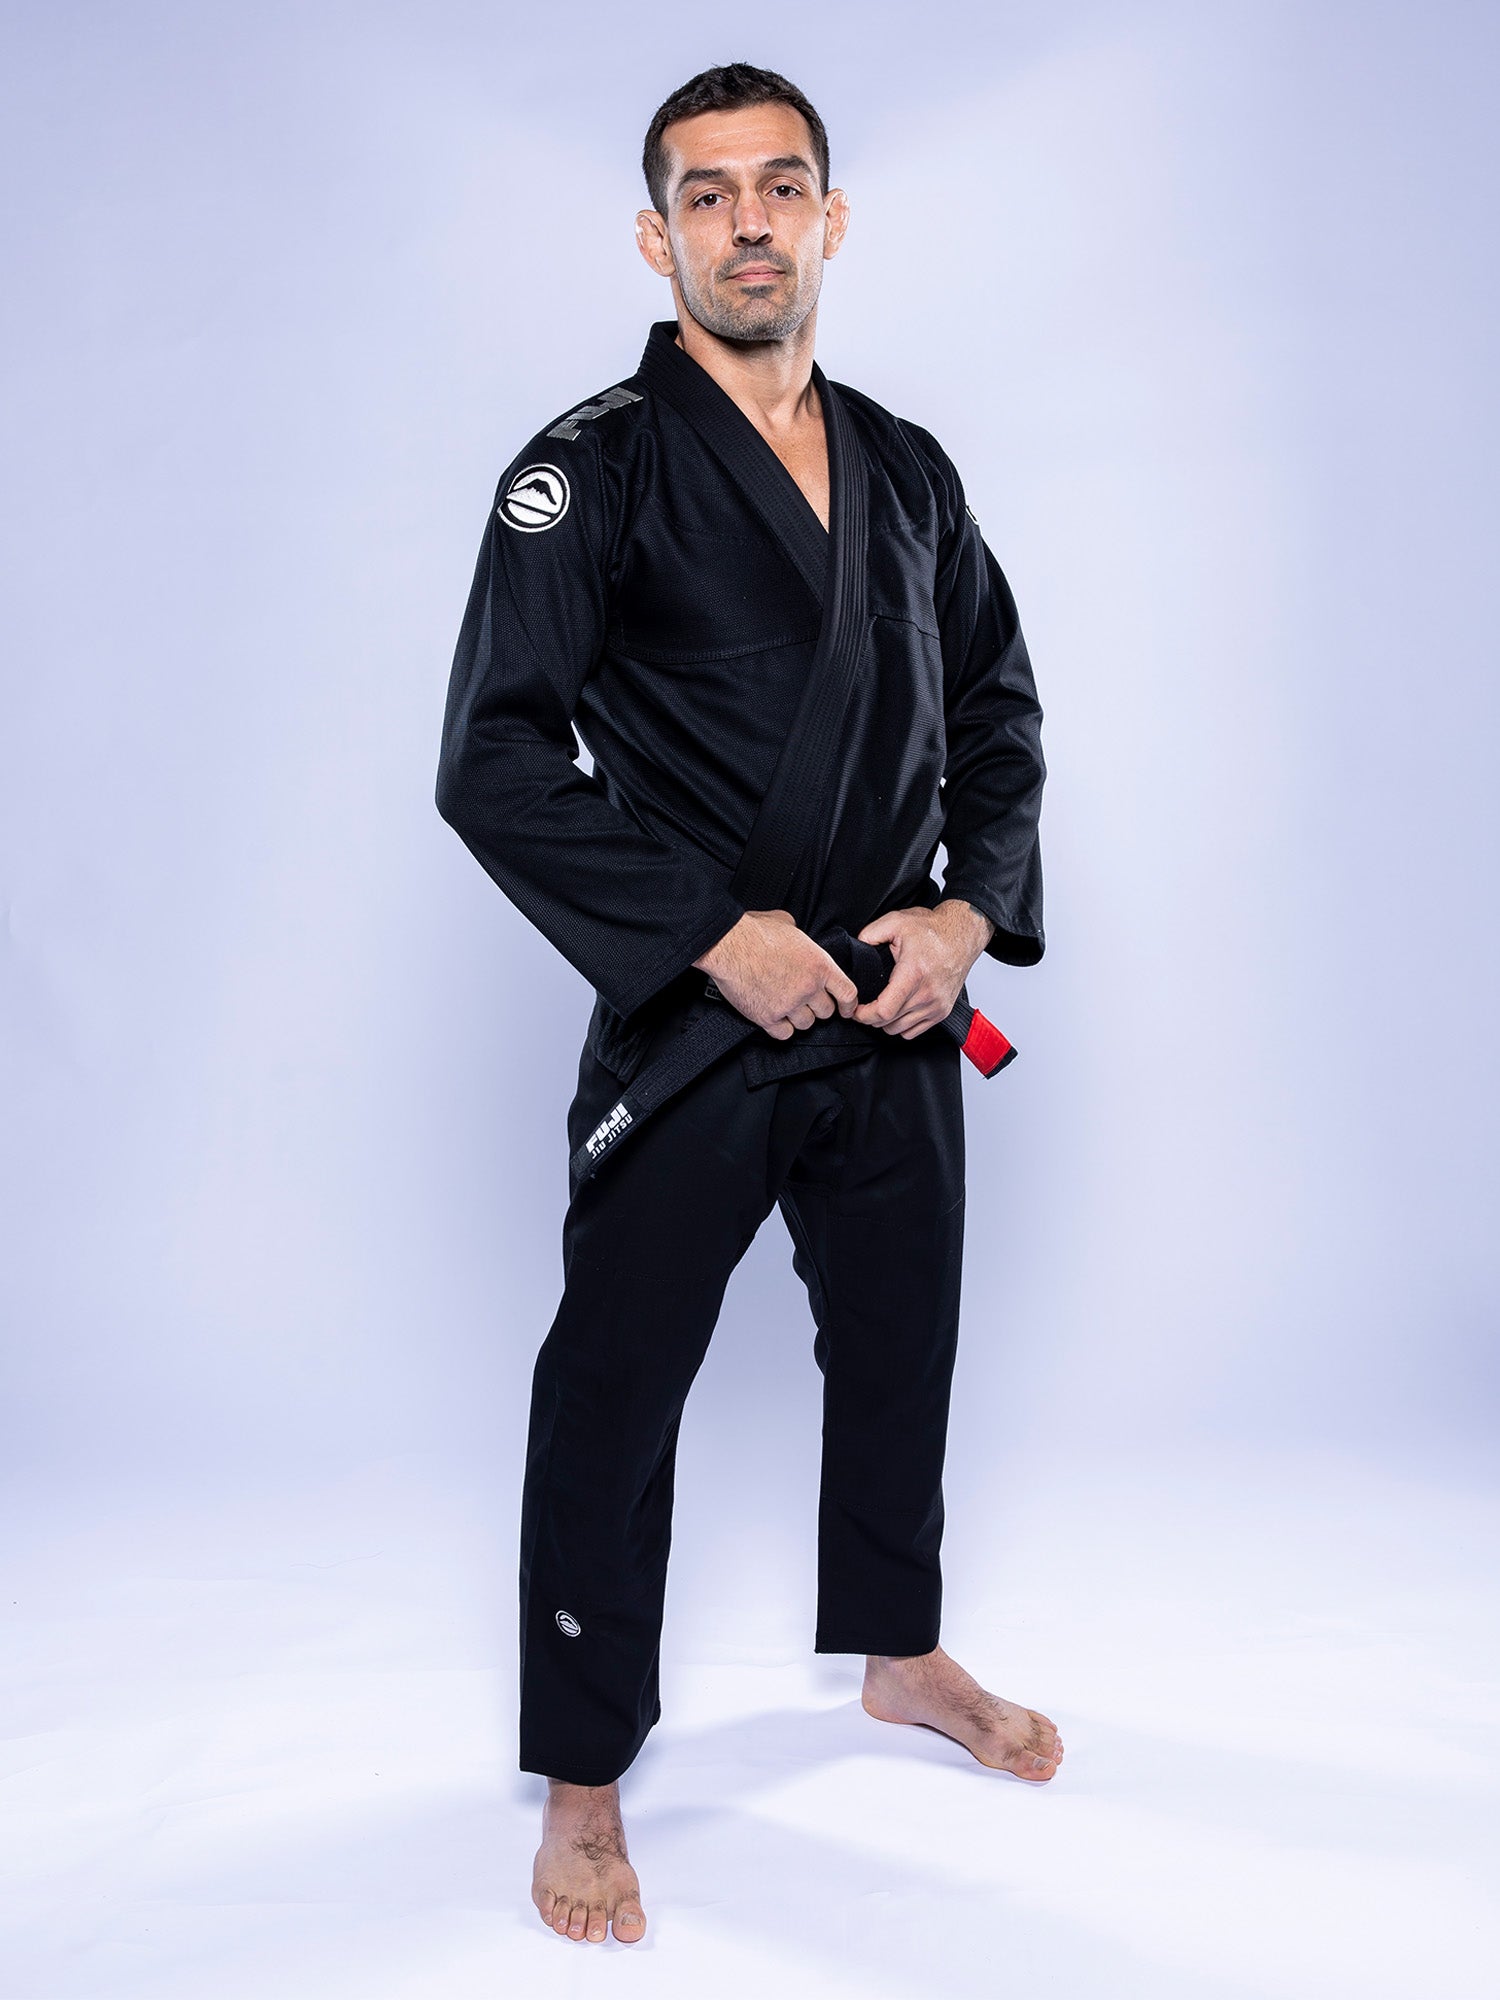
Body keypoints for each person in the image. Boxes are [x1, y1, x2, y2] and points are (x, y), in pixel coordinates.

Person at [435, 61, 1061, 1947]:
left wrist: (964, 916)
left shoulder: (909, 466)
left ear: (830, 218)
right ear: (659, 239)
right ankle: (583, 1777)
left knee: (901, 1338)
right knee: (616, 1388)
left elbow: (1001, 711)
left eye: (781, 186)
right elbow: (493, 762)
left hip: (890, 1001)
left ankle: (900, 1652)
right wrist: (716, 935)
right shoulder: (594, 466)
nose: (749, 223)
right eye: (706, 196)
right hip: (706, 1017)